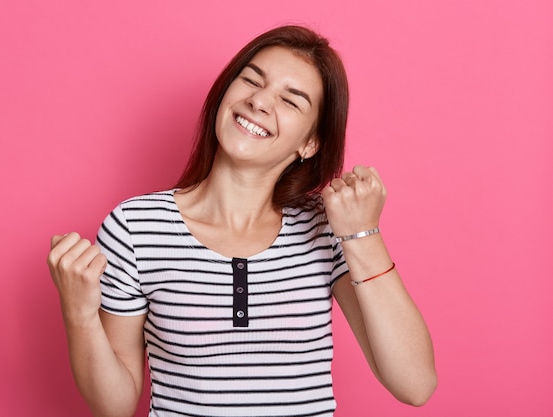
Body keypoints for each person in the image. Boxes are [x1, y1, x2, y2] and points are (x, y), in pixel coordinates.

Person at [47, 25, 437, 417]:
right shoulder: (135, 228)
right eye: (252, 79)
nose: (259, 102)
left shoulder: (326, 229)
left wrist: (362, 234)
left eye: (291, 100)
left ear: (311, 143)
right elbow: (113, 406)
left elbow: (415, 384)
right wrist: (79, 313)